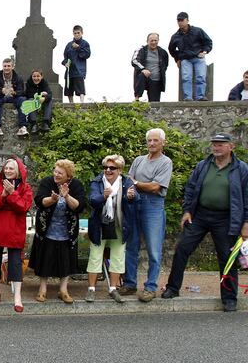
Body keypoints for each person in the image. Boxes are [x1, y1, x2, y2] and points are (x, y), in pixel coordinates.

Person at [161, 134, 248, 311]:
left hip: (226, 218)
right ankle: (172, 288)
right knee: (182, 249)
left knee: (227, 258)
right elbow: (191, 188)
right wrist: (187, 211)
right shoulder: (203, 165)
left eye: (221, 145)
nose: (216, 147)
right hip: (200, 215)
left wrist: (246, 222)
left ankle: (229, 299)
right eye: (214, 144)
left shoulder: (242, 169)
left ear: (231, 147)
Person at [123, 128, 173, 301]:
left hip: (153, 206)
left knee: (153, 249)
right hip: (134, 203)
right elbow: (128, 180)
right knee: (131, 246)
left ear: (162, 143)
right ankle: (129, 284)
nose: (151, 143)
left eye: (155, 141)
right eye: (149, 140)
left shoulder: (165, 162)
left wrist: (136, 183)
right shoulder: (138, 160)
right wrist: (134, 186)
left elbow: (155, 187)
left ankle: (150, 287)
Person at [29, 159, 87, 303]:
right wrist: (52, 199)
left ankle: (63, 290)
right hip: (46, 228)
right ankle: (42, 290)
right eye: (55, 171)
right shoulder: (47, 182)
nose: (56, 174)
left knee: (66, 260)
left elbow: (79, 207)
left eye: (60, 173)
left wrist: (66, 196)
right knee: (45, 259)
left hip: (67, 230)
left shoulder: (77, 185)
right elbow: (39, 201)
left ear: (68, 175)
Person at [0, 157, 33, 313]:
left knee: (16, 262)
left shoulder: (25, 188)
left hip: (14, 228)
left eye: (11, 168)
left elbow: (24, 207)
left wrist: (11, 193)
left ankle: (17, 297)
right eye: (6, 168)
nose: (8, 171)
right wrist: (2, 196)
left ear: (18, 171)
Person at [85, 155, 138, 303]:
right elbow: (92, 200)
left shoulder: (126, 182)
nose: (108, 170)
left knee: (118, 257)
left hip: (119, 225)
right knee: (95, 255)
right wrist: (103, 196)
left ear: (120, 170)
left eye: (112, 168)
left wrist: (129, 196)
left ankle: (113, 289)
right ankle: (91, 289)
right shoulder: (97, 182)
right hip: (99, 225)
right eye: (105, 167)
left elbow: (136, 198)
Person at [168, 12, 213, 101]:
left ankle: (200, 97)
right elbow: (171, 49)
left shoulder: (198, 31)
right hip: (185, 59)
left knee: (201, 77)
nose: (180, 22)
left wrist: (205, 51)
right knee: (186, 78)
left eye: (182, 20)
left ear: (187, 20)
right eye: (178, 20)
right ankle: (187, 98)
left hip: (198, 57)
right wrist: (177, 59)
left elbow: (208, 42)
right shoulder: (175, 36)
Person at [0, 57, 28, 137]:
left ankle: (23, 127)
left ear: (12, 67)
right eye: (5, 66)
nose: (6, 68)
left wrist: (15, 93)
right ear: (2, 67)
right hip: (1, 97)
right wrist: (1, 92)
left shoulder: (18, 78)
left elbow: (22, 92)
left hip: (13, 97)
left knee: (23, 100)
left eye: (8, 66)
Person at [131, 33, 170, 102]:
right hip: (144, 77)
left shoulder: (163, 52)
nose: (153, 42)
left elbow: (165, 65)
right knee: (142, 75)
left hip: (156, 80)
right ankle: (137, 98)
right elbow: (134, 61)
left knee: (155, 103)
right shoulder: (141, 50)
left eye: (155, 40)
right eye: (151, 40)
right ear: (147, 41)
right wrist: (143, 69)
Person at [62, 25, 91, 103]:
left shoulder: (85, 44)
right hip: (69, 71)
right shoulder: (69, 45)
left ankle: (82, 103)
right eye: (75, 33)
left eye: (78, 33)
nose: (77, 35)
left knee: (81, 89)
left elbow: (87, 55)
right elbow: (65, 57)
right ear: (73, 33)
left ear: (82, 33)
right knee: (68, 90)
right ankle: (71, 104)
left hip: (79, 70)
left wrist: (78, 48)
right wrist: (65, 63)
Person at [24, 69, 54, 133]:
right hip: (33, 100)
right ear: (31, 77)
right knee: (30, 100)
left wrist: (44, 98)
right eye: (34, 76)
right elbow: (29, 94)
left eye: (38, 76)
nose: (36, 78)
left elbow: (50, 94)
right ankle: (34, 124)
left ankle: (46, 122)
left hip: (42, 100)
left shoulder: (44, 83)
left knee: (49, 101)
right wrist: (40, 96)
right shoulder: (29, 83)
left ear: (41, 77)